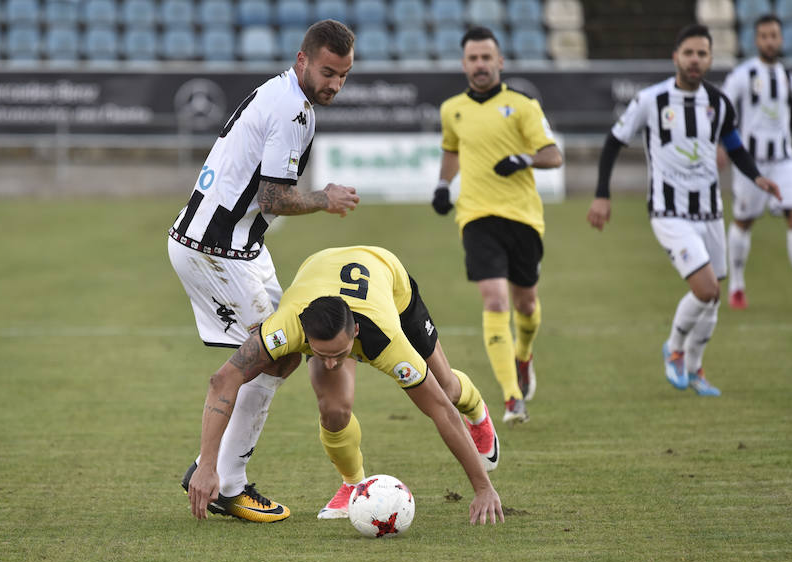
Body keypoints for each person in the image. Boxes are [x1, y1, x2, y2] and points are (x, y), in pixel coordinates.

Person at [168, 20, 360, 523]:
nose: (334, 84)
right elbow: (275, 197)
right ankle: (225, 483)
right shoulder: (292, 110)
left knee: (285, 350)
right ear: (303, 61)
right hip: (213, 248)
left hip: (242, 246)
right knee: (269, 355)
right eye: (327, 72)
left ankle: (216, 471)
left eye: (343, 75)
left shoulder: (281, 92)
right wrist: (326, 198)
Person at [185, 246, 504, 526]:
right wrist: (208, 466)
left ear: (355, 333)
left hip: (389, 282)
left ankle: (477, 411)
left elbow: (442, 412)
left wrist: (483, 488)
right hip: (320, 267)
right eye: (320, 355)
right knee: (334, 411)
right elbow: (223, 380)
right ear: (306, 338)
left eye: (339, 355)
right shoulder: (286, 325)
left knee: (445, 389)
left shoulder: (387, 339)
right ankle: (353, 484)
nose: (332, 365)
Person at [586, 24, 781, 397]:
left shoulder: (719, 103)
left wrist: (757, 178)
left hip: (709, 212)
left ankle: (695, 369)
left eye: (702, 54)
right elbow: (613, 141)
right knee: (705, 289)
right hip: (668, 211)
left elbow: (735, 147)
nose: (695, 60)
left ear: (710, 58)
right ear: (676, 57)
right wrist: (601, 194)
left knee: (713, 298)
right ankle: (674, 348)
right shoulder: (651, 100)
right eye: (688, 53)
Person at [431, 26, 563, 425]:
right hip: (476, 217)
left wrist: (523, 159)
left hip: (522, 217)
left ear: (500, 62)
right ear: (464, 64)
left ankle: (523, 355)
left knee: (526, 304)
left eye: (487, 57)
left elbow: (553, 155)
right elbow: (451, 150)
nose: (481, 64)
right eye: (473, 58)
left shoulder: (522, 105)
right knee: (494, 300)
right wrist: (442, 184)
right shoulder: (452, 109)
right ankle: (511, 398)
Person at [719, 14, 792, 309]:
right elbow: (721, 112)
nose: (769, 41)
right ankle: (737, 287)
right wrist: (720, 146)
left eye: (774, 35)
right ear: (756, 40)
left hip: (784, 160)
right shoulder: (742, 75)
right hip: (749, 163)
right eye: (764, 36)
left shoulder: (789, 78)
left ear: (781, 39)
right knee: (744, 221)